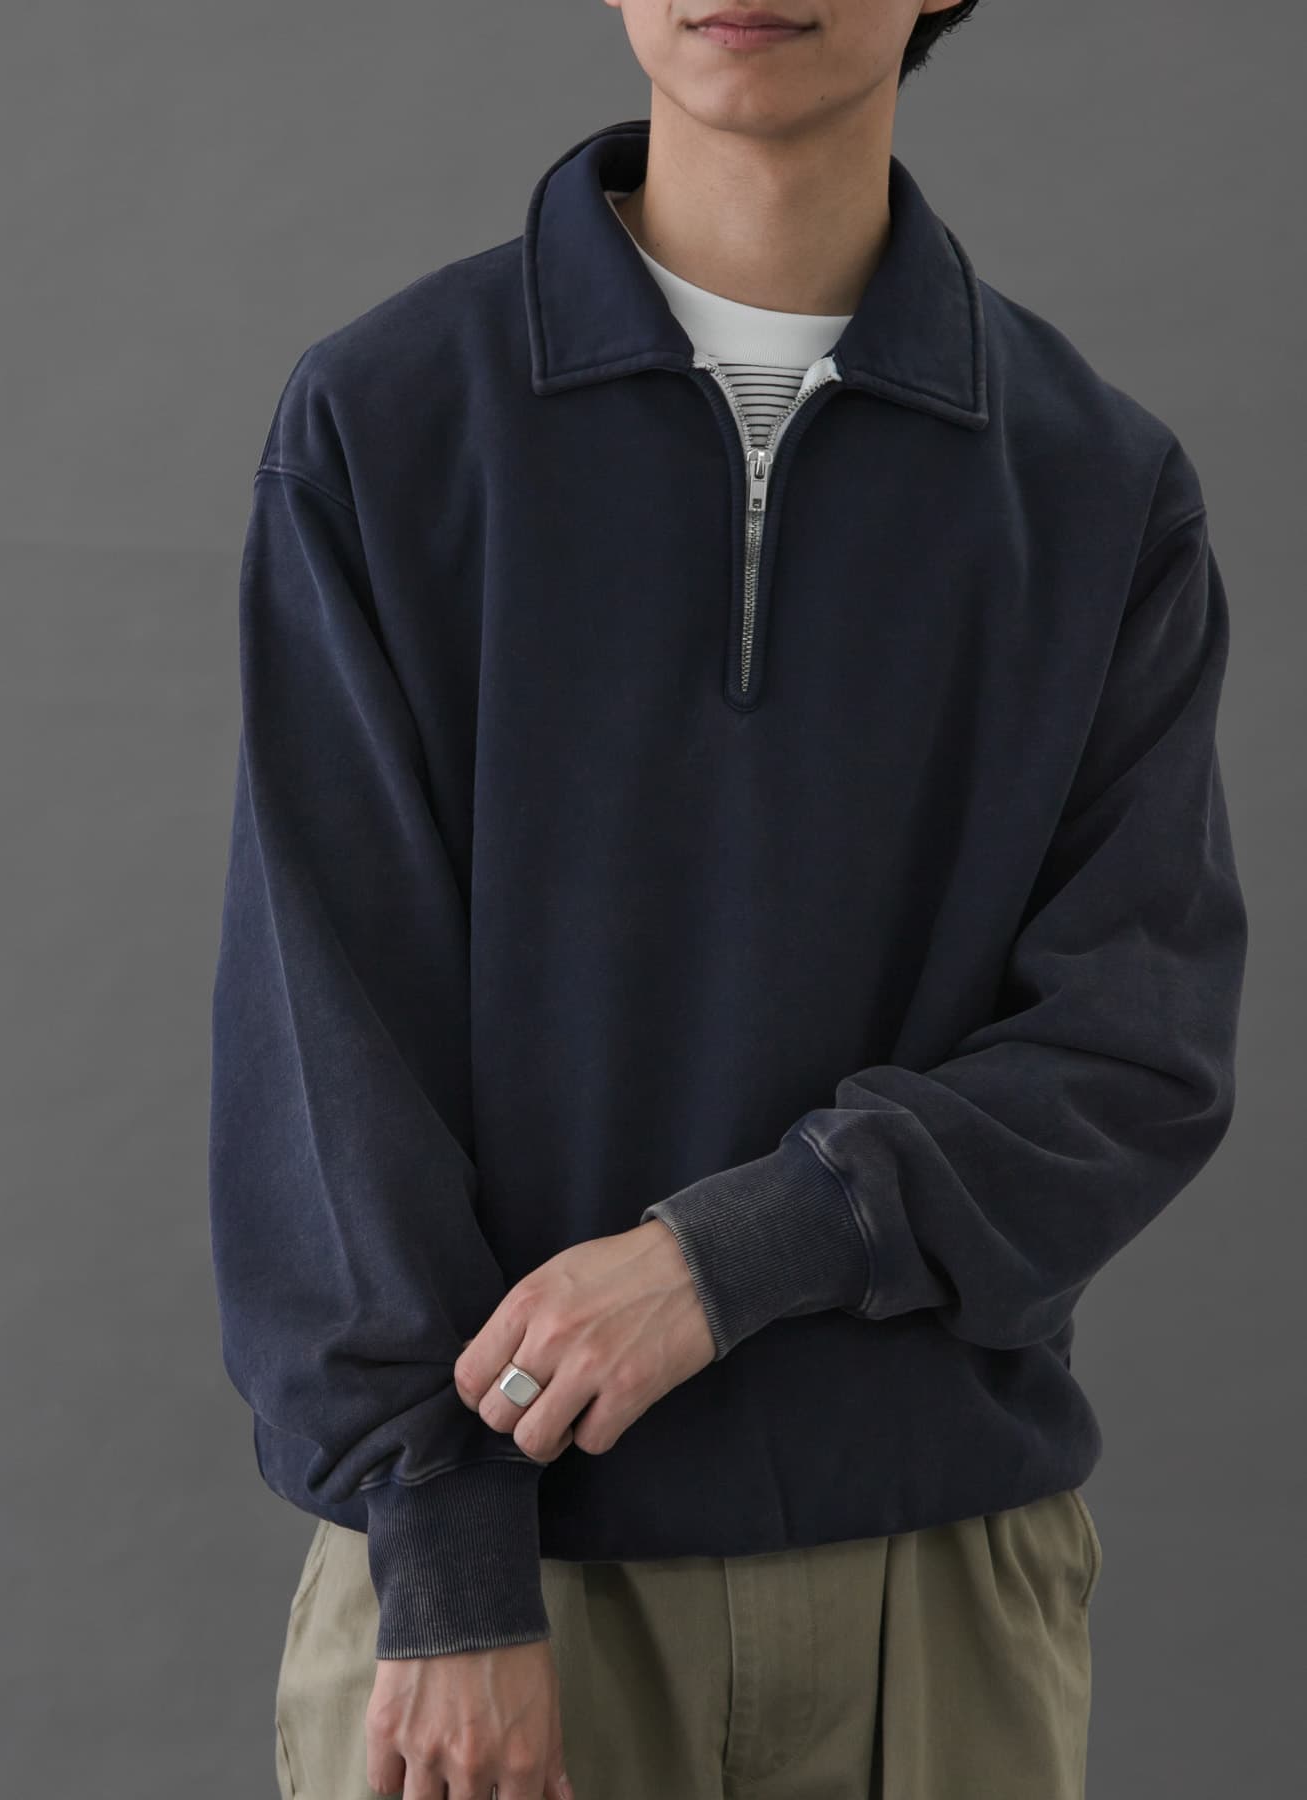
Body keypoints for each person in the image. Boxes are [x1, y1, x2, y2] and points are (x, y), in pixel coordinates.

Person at [207, 4, 1248, 1797]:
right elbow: (327, 1038)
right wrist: (448, 1565)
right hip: (500, 1594)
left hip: (938, 1595)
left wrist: (735, 1255)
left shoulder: (1098, 485)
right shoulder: (388, 421)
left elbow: (1136, 1052)